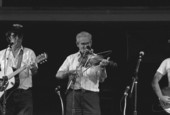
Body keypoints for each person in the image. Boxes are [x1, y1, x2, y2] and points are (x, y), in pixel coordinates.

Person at [56, 31, 110, 115]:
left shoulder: (96, 58)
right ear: (77, 44)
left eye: (87, 43)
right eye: (82, 44)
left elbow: (102, 79)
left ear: (91, 43)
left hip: (91, 95)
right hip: (73, 94)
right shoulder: (71, 58)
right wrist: (69, 72)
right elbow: (58, 75)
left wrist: (102, 67)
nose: (85, 46)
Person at [0, 24, 38, 115]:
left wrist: (33, 68)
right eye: (14, 35)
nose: (17, 38)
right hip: (6, 93)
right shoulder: (1, 54)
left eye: (19, 36)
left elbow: (35, 72)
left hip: (23, 93)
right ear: (9, 37)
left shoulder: (29, 52)